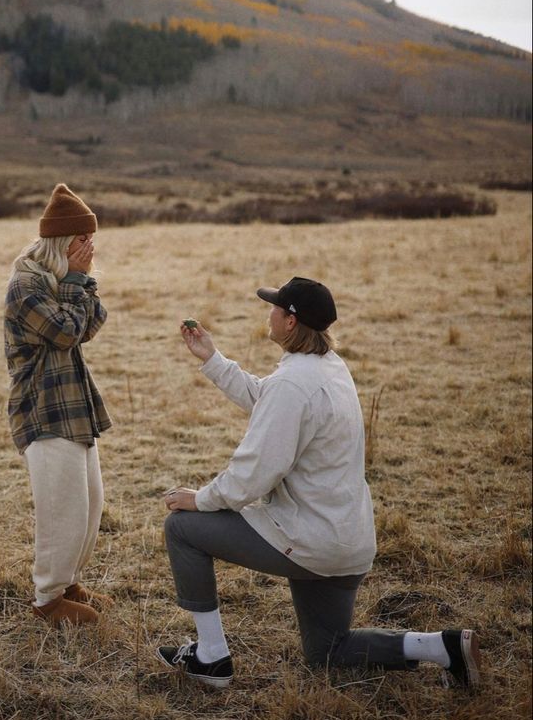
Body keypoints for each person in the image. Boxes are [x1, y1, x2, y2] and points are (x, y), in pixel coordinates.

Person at [158, 276, 481, 689]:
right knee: (328, 651)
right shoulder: (328, 367)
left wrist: (200, 499)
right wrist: (213, 360)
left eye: (274, 307)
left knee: (182, 528)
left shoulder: (293, 383)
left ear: (290, 322)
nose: (269, 313)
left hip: (309, 540)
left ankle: (210, 658)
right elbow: (272, 403)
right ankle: (441, 647)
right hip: (346, 541)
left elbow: (253, 475)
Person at [4, 184, 112, 625]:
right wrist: (73, 281)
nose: (90, 248)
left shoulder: (59, 279)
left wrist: (80, 280)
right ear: (61, 242)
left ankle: (68, 584)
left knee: (89, 503)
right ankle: (47, 599)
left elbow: (93, 322)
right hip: (44, 407)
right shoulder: (26, 285)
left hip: (72, 405)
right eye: (81, 240)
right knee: (61, 508)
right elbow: (68, 331)